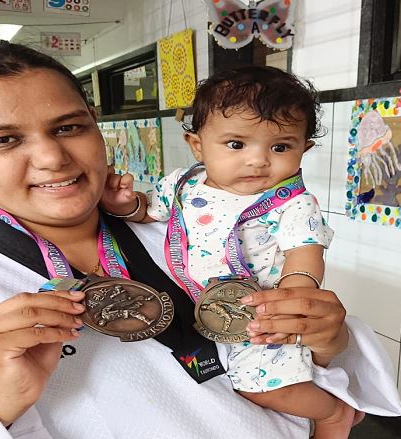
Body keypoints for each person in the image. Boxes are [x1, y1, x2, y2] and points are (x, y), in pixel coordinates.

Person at [0, 42, 401, 438]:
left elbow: (317, 362)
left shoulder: (188, 231)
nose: (51, 158)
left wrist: (327, 339)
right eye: (4, 140)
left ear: (95, 125)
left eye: (69, 127)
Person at [101, 65, 353, 438]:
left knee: (258, 389)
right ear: (197, 145)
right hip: (207, 311)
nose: (258, 160)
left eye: (280, 147)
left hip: (262, 313)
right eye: (236, 144)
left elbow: (306, 252)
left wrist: (294, 293)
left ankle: (334, 414)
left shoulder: (292, 202)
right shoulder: (182, 184)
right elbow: (148, 212)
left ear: (304, 148)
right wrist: (125, 204)